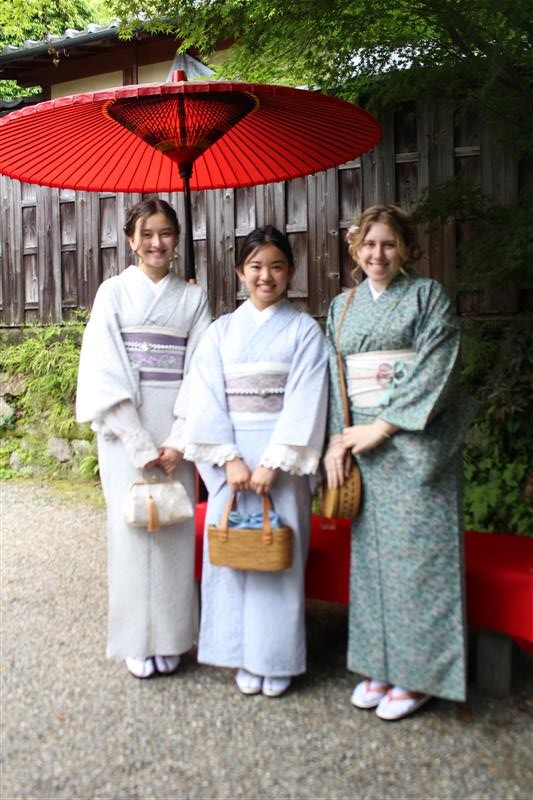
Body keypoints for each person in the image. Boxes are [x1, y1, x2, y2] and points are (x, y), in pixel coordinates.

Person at [324, 204, 474, 721]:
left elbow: (438, 365)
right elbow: (335, 377)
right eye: (369, 244)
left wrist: (384, 426)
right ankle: (379, 665)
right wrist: (337, 442)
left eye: (389, 244)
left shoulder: (428, 296)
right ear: (355, 248)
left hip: (413, 444)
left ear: (407, 247)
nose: (378, 254)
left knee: (418, 560)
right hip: (360, 442)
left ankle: (419, 676)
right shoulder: (342, 306)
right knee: (372, 563)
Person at [184, 226, 328, 697]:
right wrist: (227, 459)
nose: (266, 276)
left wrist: (275, 461)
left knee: (278, 556)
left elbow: (307, 399)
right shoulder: (219, 332)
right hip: (232, 461)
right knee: (233, 556)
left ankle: (276, 658)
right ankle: (239, 653)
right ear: (239, 273)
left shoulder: (305, 331)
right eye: (256, 266)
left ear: (291, 271)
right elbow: (205, 399)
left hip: (280, 463)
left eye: (276, 266)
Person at [76, 198, 211, 679]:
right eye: (147, 233)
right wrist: (137, 441)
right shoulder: (112, 293)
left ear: (177, 240)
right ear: (132, 240)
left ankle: (172, 637)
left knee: (173, 531)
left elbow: (201, 372)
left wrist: (179, 440)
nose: (157, 243)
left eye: (166, 233)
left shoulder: (193, 299)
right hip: (125, 431)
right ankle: (137, 639)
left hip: (175, 431)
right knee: (130, 533)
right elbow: (103, 370)